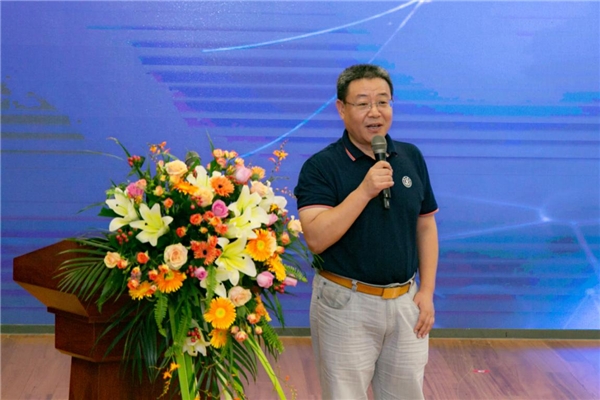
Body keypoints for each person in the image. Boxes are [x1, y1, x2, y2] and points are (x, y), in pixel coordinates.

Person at [294, 64, 439, 400]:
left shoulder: (410, 157)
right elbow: (316, 238)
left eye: (383, 102)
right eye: (362, 103)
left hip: (406, 303)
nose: (375, 112)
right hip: (345, 303)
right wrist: (364, 190)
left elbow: (425, 225)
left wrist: (427, 291)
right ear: (341, 109)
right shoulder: (321, 166)